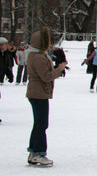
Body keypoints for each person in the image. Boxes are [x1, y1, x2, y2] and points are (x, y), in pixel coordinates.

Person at [26, 27, 67, 167]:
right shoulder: (38, 57)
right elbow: (46, 76)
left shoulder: (37, 55)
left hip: (38, 92)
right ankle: (39, 153)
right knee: (42, 124)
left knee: (39, 123)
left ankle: (33, 152)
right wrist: (59, 70)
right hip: (39, 93)